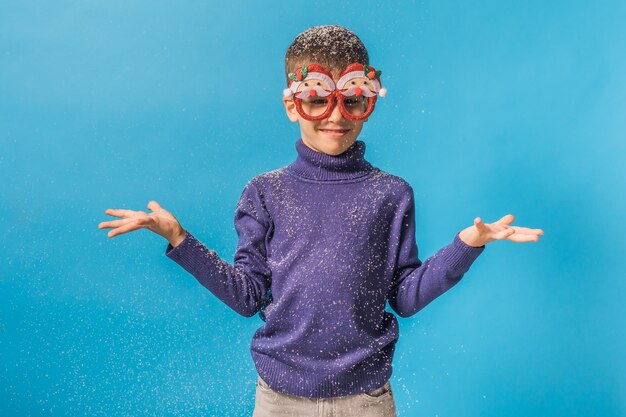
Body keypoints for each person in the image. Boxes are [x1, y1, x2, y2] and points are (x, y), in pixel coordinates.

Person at [98, 25, 544, 417]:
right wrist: (179, 240)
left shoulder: (391, 193)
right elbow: (248, 296)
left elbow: (405, 297)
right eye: (316, 99)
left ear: (368, 102)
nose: (335, 115)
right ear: (292, 105)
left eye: (352, 101)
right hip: (280, 400)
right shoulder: (265, 192)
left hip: (366, 400)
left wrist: (466, 244)